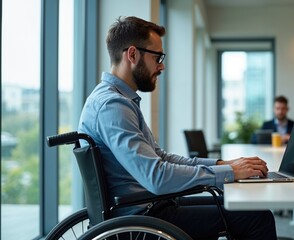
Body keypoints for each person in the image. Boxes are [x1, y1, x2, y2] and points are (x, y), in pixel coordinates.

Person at [78, 16, 277, 240]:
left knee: (244, 206)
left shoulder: (119, 100)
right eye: (158, 57)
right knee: (257, 217)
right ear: (132, 54)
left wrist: (224, 165)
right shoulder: (112, 106)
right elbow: (157, 177)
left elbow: (159, 157)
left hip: (150, 206)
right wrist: (228, 173)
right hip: (141, 221)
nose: (161, 66)